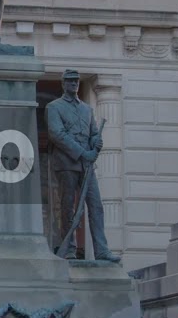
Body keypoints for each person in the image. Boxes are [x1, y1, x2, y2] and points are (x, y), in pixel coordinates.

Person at [44, 70, 121, 263]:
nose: (74, 84)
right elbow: (57, 134)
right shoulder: (54, 107)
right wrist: (82, 152)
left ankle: (101, 249)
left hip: (86, 165)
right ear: (63, 84)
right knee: (67, 207)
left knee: (96, 206)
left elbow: (93, 132)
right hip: (67, 163)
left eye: (76, 81)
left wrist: (96, 142)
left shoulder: (87, 109)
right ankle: (69, 248)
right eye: (70, 81)